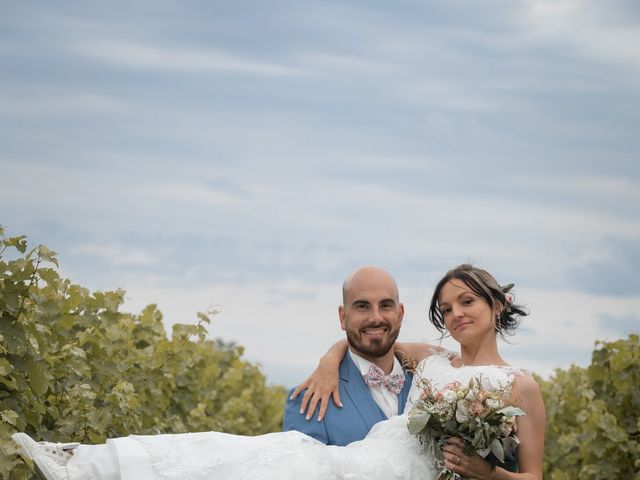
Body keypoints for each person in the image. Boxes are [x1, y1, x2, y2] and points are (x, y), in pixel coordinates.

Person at [12, 264, 545, 480]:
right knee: (246, 455)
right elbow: (364, 337)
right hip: (361, 464)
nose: (457, 314)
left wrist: (488, 474)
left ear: (498, 305)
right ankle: (106, 462)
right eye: (448, 307)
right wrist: (328, 360)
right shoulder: (433, 358)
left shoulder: (521, 386)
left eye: (468, 301)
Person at [282, 266, 418, 446]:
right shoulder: (309, 399)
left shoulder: (429, 385)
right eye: (362, 306)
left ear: (400, 314)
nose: (376, 318)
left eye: (385, 305)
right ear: (343, 317)